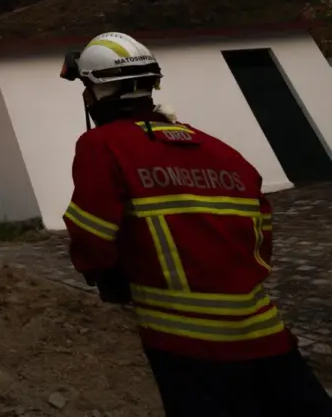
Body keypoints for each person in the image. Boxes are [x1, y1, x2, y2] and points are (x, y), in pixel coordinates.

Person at [60, 31, 332, 417]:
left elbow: (91, 234)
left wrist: (106, 276)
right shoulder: (221, 151)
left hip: (187, 344)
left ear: (97, 91)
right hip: (269, 337)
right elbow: (262, 234)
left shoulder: (103, 145)